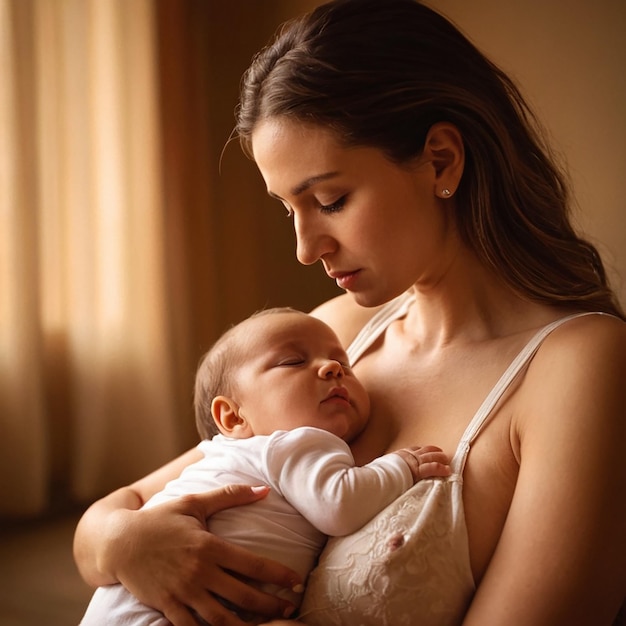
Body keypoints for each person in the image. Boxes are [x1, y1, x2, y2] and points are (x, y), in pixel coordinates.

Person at [73, 0, 626, 625]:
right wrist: (127, 543)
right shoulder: (334, 338)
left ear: (441, 160)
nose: (306, 249)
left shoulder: (581, 366)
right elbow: (113, 514)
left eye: (330, 200)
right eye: (290, 210)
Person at [79, 307, 451, 625]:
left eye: (344, 364)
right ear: (232, 416)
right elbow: (339, 505)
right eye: (294, 362)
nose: (332, 369)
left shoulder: (232, 455)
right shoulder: (294, 443)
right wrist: (402, 467)